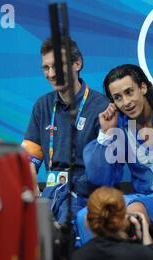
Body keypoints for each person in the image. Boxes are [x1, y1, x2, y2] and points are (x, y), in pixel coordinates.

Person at [77, 64, 153, 246]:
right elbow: (101, 178)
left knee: (135, 211)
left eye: (129, 92)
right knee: (86, 215)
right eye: (118, 98)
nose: (126, 102)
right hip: (143, 197)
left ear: (143, 87)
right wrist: (106, 135)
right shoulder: (119, 125)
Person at [22, 37, 109, 223]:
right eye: (46, 68)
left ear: (77, 63)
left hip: (87, 196)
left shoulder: (101, 107)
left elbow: (103, 172)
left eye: (57, 66)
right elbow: (29, 161)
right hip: (53, 193)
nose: (51, 74)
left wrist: (66, 190)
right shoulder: (43, 105)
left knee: (65, 221)